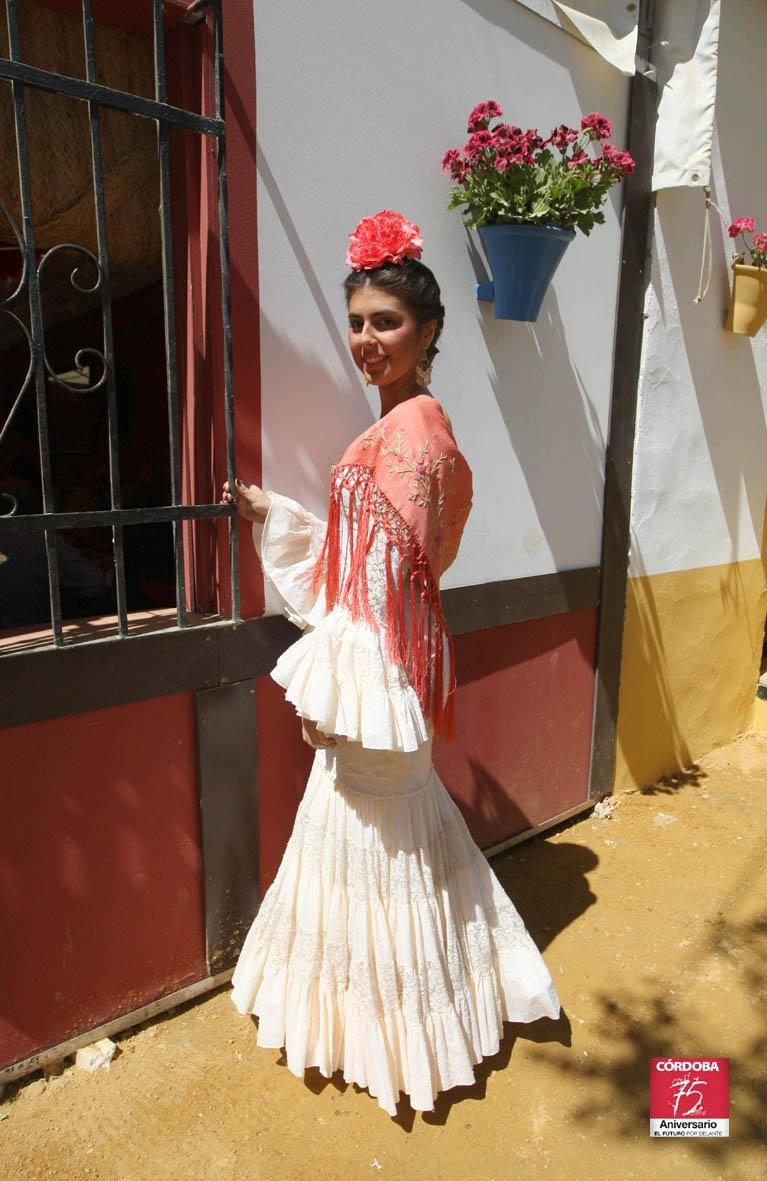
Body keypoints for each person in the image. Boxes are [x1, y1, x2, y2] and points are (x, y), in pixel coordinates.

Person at [223, 210, 561, 1116]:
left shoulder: (409, 435)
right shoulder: (418, 426)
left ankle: (394, 1039)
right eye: (360, 321)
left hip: (375, 675)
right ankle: (406, 1018)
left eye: (388, 322)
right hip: (393, 668)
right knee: (396, 844)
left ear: (430, 330)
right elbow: (383, 565)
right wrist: (278, 515)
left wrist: (340, 689)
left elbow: (378, 590)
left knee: (381, 849)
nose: (368, 339)